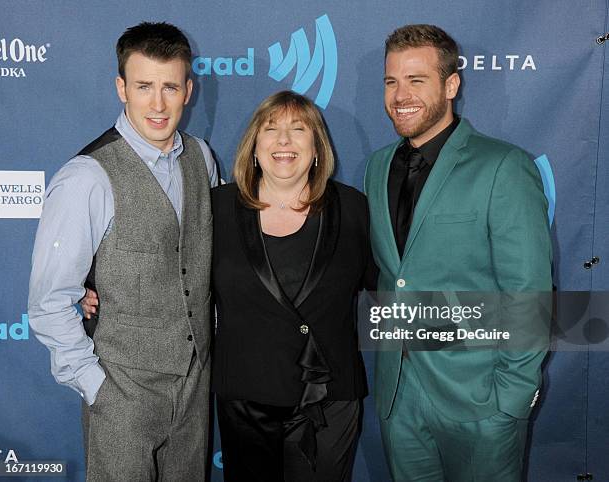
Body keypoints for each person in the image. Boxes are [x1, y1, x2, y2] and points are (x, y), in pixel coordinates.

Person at [28, 22, 218, 481]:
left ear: (188, 90)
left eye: (170, 86)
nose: (157, 103)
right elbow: (47, 302)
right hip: (122, 395)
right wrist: (98, 389)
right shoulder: (86, 178)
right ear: (121, 88)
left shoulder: (203, 158)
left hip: (195, 391)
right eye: (144, 86)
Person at [364, 25, 552, 481]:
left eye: (417, 80)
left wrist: (510, 400)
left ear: (451, 85)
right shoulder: (377, 166)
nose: (400, 94)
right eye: (391, 81)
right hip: (398, 397)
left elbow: (528, 292)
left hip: (481, 400)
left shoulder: (503, 166)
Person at [212, 90, 374, 481]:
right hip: (246, 398)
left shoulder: (353, 207)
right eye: (271, 130)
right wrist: (96, 290)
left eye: (298, 130)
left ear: (317, 148)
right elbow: (174, 276)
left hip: (329, 399)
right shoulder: (216, 207)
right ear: (254, 147)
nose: (284, 141)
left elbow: (390, 278)